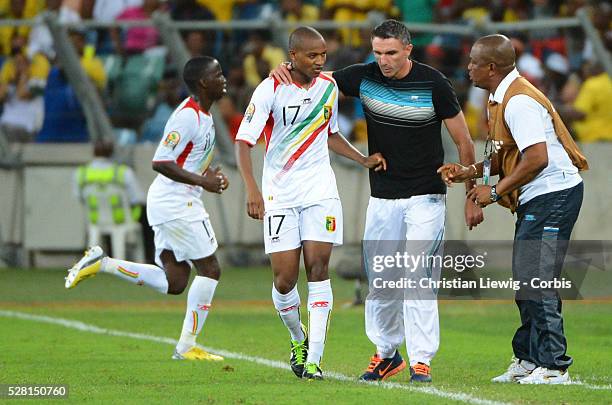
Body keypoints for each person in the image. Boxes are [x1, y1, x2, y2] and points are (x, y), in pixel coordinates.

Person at [271, 19, 481, 383]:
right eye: (378, 53)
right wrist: (285, 68)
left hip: (426, 196)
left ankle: (421, 360)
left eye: (391, 53)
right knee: (382, 278)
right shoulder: (363, 77)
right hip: (383, 196)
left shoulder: (434, 83)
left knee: (418, 277)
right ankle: (386, 353)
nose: (384, 61)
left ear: (408, 50)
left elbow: (464, 142)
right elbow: (316, 73)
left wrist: (471, 194)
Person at [235, 26, 386, 381]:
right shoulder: (271, 87)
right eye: (312, 56)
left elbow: (329, 133)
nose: (320, 61)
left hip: (320, 192)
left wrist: (361, 158)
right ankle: (298, 338)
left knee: (318, 269)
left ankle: (315, 359)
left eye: (323, 55)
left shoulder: (328, 88)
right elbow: (244, 141)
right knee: (285, 280)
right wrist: (252, 190)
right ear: (293, 56)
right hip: (280, 194)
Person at [438, 34, 588, 384]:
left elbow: (537, 157)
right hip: (539, 196)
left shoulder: (519, 101)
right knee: (527, 279)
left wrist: (495, 191)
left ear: (491, 67)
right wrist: (470, 172)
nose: (468, 67)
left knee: (537, 278)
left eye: (474, 62)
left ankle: (553, 366)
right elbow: (507, 155)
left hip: (554, 194)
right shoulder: (501, 96)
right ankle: (527, 358)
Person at [65, 56, 230, 362]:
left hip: (173, 201)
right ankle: (186, 347)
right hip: (177, 203)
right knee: (210, 269)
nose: (224, 78)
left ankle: (103, 263)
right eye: (218, 74)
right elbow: (160, 160)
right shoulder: (188, 117)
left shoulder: (204, 116)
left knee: (175, 281)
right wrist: (202, 182)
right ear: (203, 83)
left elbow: (186, 161)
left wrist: (209, 177)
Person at [73, 138, 145, 254]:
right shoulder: (124, 172)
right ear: (112, 152)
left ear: (93, 152)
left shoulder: (81, 173)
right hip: (122, 220)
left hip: (95, 220)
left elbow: (79, 198)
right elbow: (139, 199)